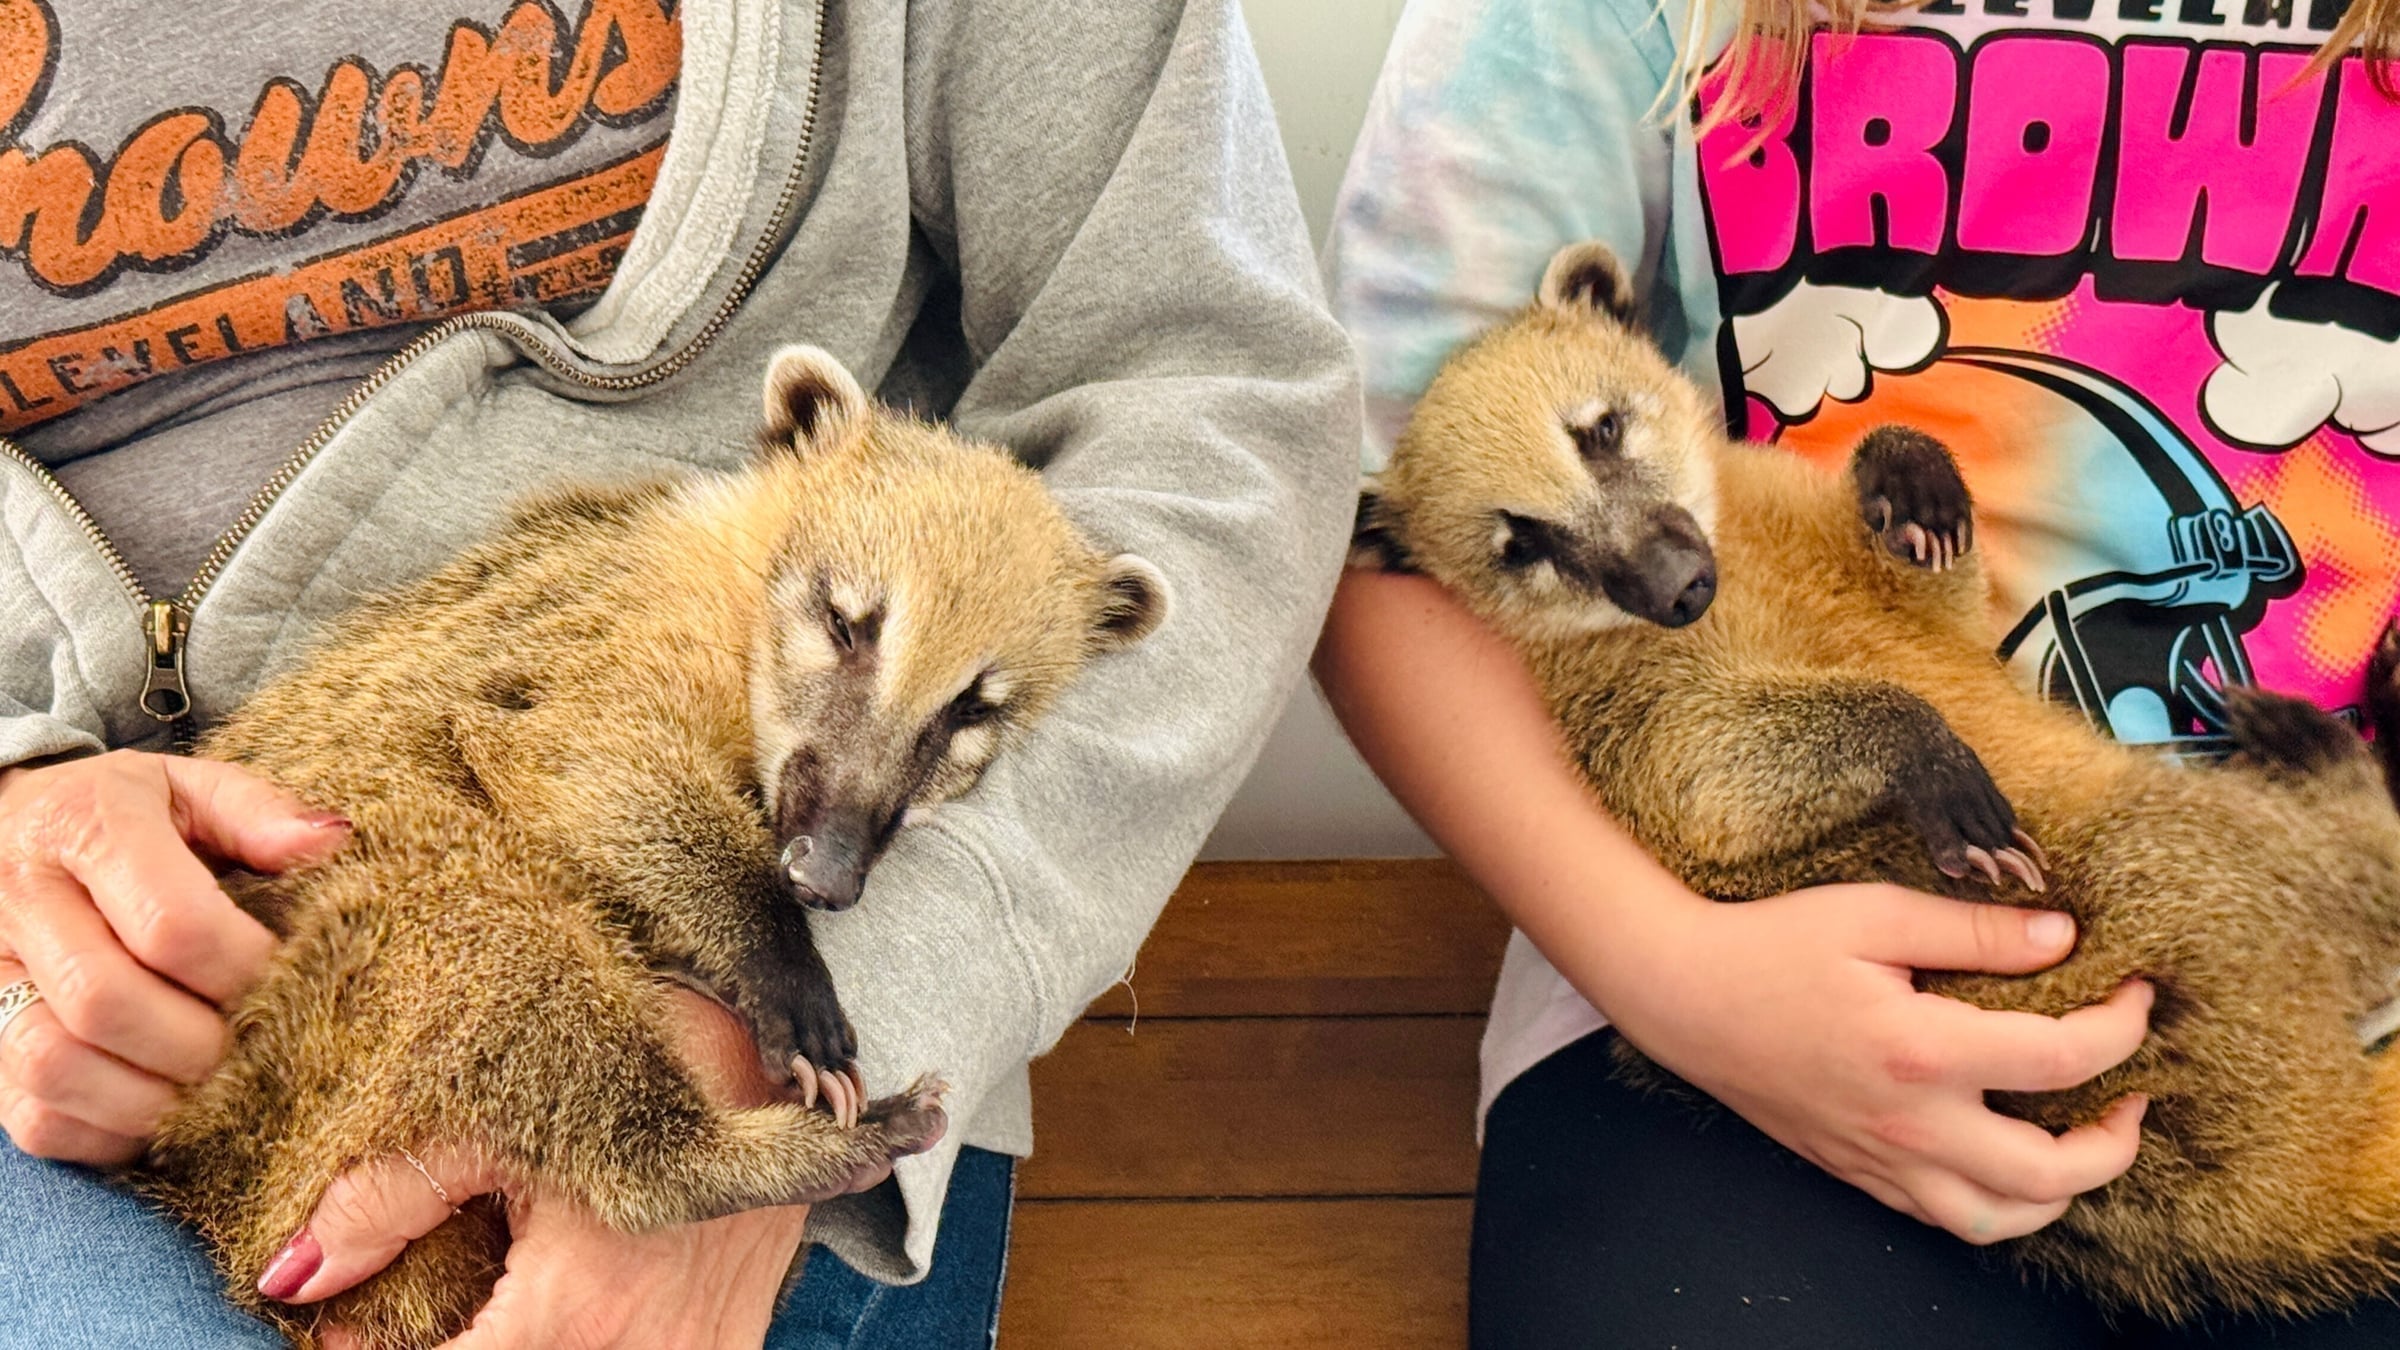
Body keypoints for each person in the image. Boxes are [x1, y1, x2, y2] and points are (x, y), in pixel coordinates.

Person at [0, 1, 1358, 1346]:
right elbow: (606, 783)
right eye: (848, 641)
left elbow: (1214, 395)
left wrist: (843, 1009)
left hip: (711, 1023)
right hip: (179, 990)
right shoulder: (686, 605)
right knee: (501, 971)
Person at [1317, 0, 2400, 1345]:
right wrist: (1678, 975)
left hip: (2250, 888)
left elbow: (1922, 617)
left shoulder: (1744, 494)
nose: (1652, 561)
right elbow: (1363, 536)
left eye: (1607, 447)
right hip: (1751, 999)